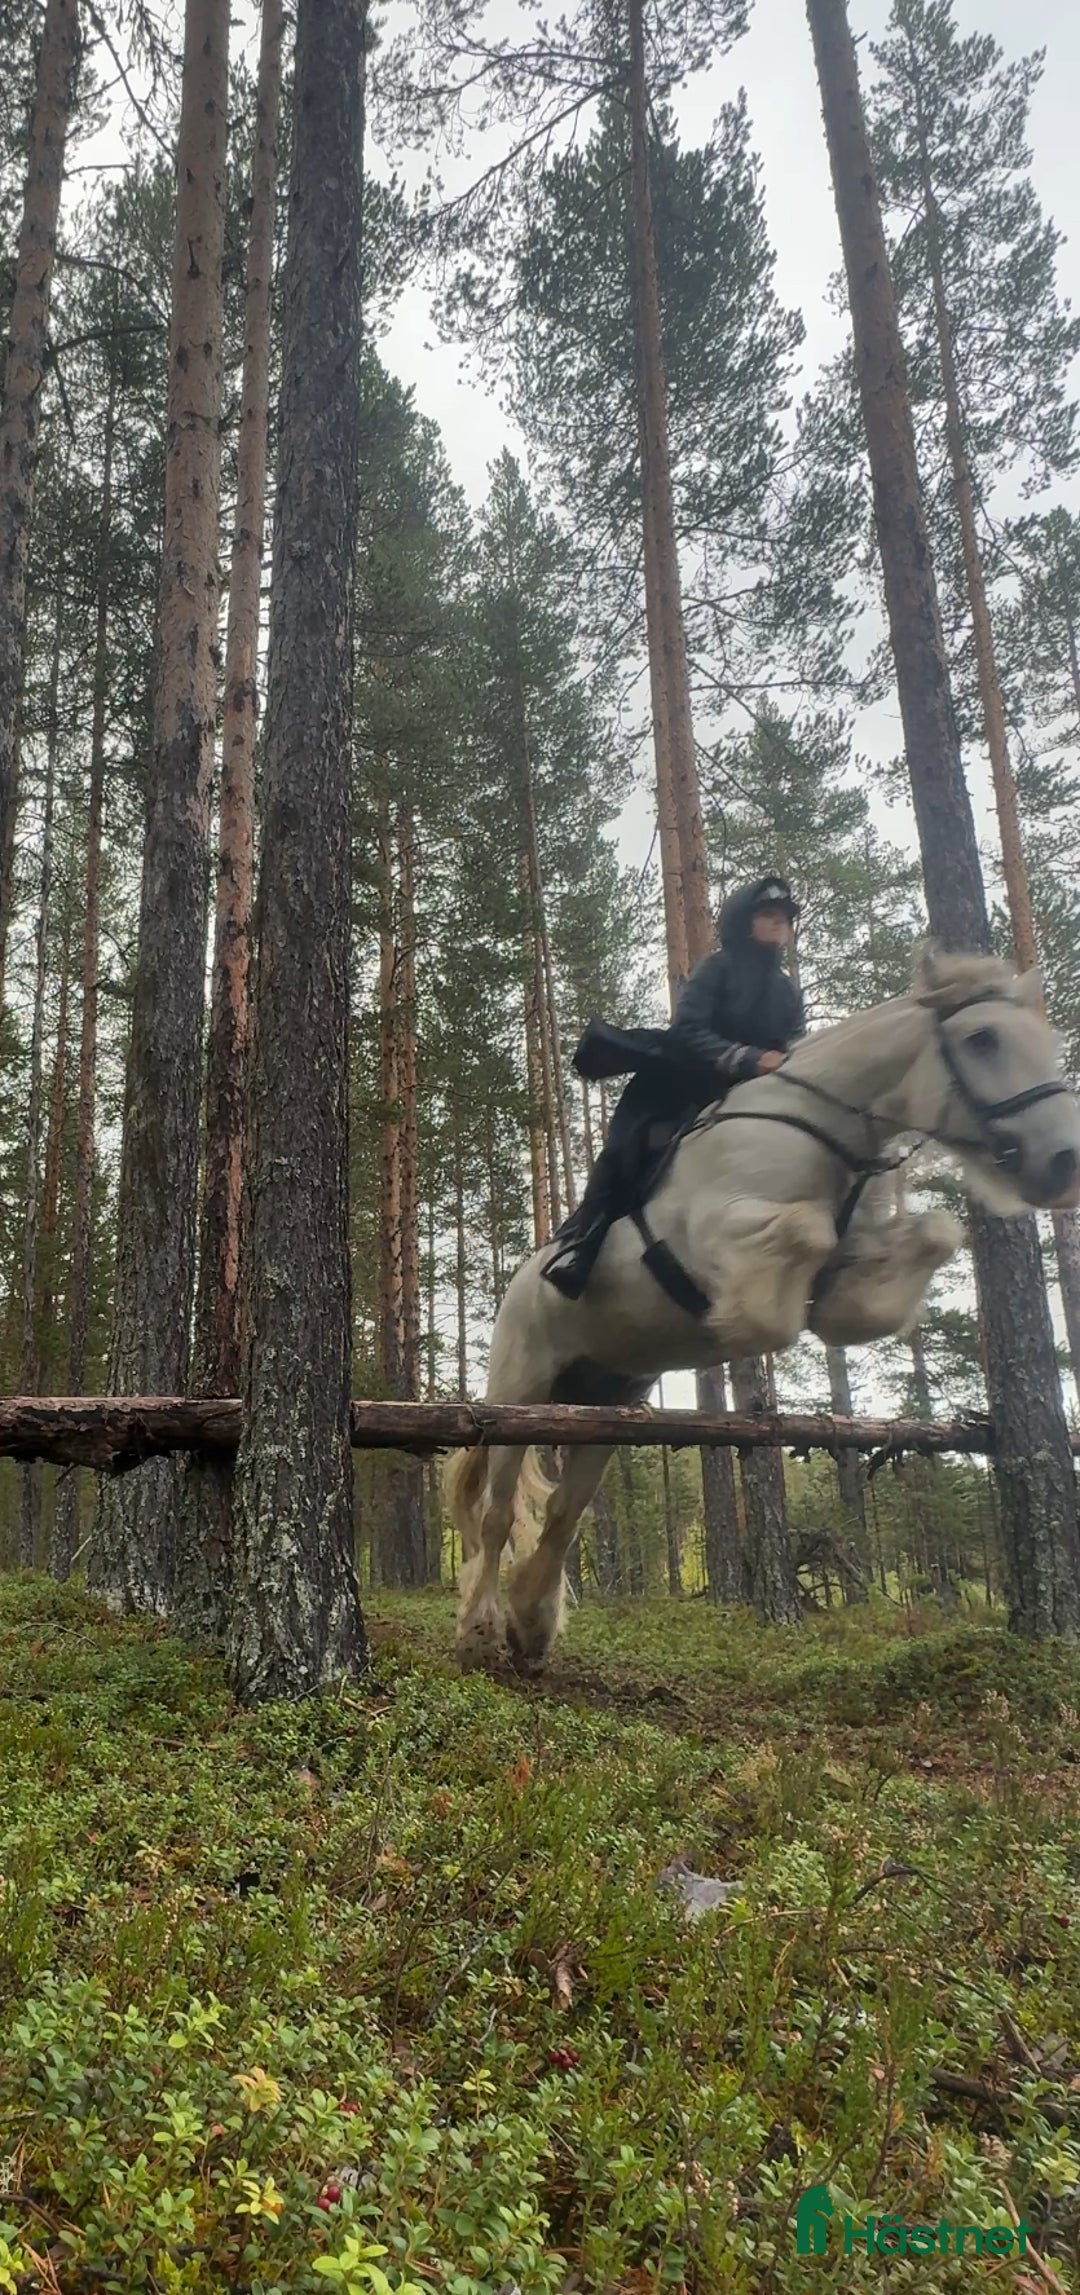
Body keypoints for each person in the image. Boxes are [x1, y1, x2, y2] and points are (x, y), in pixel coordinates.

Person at [543, 875, 804, 1300]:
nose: (780, 923)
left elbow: (795, 1046)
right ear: (744, 922)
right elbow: (689, 1031)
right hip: (680, 1087)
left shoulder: (787, 992)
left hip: (754, 1097)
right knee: (625, 1151)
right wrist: (749, 1059)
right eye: (769, 914)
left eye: (785, 918)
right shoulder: (717, 968)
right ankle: (581, 1248)